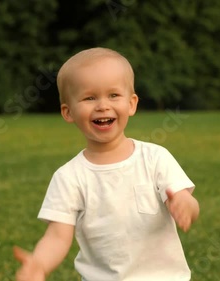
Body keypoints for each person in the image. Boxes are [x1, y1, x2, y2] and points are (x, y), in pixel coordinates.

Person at [13, 47, 200, 281]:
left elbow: (187, 201)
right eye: (90, 97)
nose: (103, 105)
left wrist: (185, 204)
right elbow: (57, 236)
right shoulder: (69, 177)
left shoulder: (155, 158)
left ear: (131, 104)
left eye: (113, 95)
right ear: (68, 112)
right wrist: (39, 264)